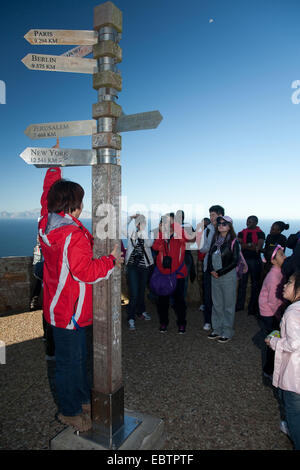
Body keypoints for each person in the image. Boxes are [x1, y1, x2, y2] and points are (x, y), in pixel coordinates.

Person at [38, 167, 123, 433]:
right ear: (75, 204)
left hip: (58, 305)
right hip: (71, 310)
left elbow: (45, 198)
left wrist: (54, 167)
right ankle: (70, 411)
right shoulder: (72, 236)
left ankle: (83, 400)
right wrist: (111, 261)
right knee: (69, 363)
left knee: (75, 359)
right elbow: (84, 272)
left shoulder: (47, 222)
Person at [266, 271, 300, 450]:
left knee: (294, 415)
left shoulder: (293, 312)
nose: (284, 285)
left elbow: (294, 342)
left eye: (290, 282)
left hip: (295, 376)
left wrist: (273, 341)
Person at [152, 213, 190, 334]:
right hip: (163, 273)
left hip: (178, 273)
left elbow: (186, 239)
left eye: (171, 221)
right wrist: (162, 233)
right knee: (162, 301)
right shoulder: (161, 234)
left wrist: (173, 223)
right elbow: (156, 247)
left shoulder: (180, 233)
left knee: (179, 301)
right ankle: (164, 323)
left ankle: (182, 324)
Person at [206, 215, 240, 343]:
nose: (221, 225)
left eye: (224, 223)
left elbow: (235, 261)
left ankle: (227, 331)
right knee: (217, 304)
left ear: (230, 226)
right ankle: (217, 329)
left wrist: (219, 272)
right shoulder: (216, 240)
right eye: (219, 223)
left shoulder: (233, 241)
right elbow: (209, 257)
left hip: (227, 277)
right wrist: (211, 270)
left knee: (228, 305)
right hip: (215, 276)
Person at [258, 245, 286, 378]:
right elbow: (273, 301)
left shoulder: (277, 271)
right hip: (270, 313)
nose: (285, 257)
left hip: (270, 311)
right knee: (272, 340)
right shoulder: (274, 276)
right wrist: (280, 316)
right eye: (281, 255)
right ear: (273, 260)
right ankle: (269, 370)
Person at [125, 214, 154, 330]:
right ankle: (131, 317)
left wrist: (143, 232)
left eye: (143, 222)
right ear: (136, 224)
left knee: (141, 290)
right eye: (139, 222)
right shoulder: (131, 233)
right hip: (132, 266)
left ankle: (141, 312)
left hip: (144, 267)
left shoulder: (149, 234)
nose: (140, 224)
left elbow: (149, 244)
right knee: (134, 292)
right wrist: (130, 217)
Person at [199, 205, 225, 331]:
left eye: (213, 215)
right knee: (208, 296)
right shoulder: (207, 230)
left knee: (221, 296)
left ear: (220, 215)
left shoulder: (226, 229)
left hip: (223, 268)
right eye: (210, 215)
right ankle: (208, 321)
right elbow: (202, 248)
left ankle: (220, 321)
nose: (211, 218)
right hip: (208, 266)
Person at [236, 215, 265, 316]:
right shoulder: (241, 232)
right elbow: (240, 246)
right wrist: (251, 245)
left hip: (255, 261)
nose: (248, 223)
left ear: (256, 223)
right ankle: (240, 306)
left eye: (251, 221)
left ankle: (252, 308)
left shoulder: (261, 233)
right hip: (243, 261)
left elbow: (259, 248)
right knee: (242, 284)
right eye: (247, 221)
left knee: (255, 284)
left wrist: (246, 245)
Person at [197, 217, 210, 312]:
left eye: (206, 224)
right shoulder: (199, 233)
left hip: (209, 260)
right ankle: (203, 303)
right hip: (200, 260)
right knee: (201, 283)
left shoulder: (211, 233)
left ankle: (209, 303)